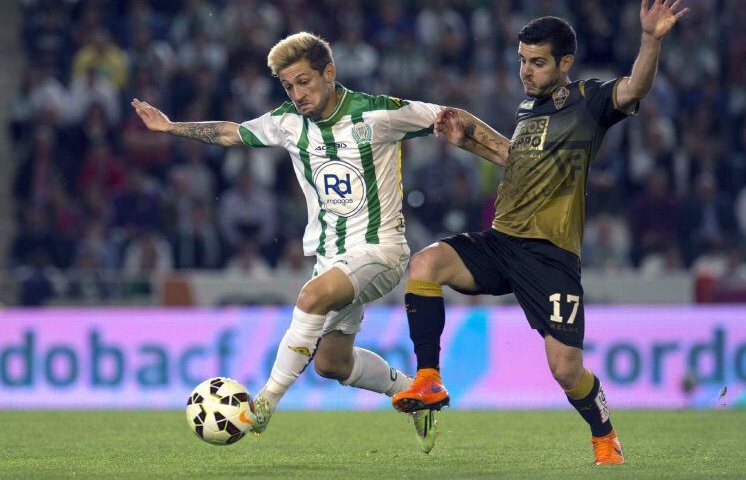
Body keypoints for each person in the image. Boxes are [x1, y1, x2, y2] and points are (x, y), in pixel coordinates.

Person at [131, 31, 507, 454]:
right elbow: (229, 133)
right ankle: (412, 395)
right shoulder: (288, 123)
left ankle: (264, 405)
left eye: (304, 82)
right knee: (332, 364)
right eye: (288, 86)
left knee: (311, 297)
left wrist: (513, 159)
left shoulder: (377, 114)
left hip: (380, 251)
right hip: (331, 259)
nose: (297, 94)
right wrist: (170, 127)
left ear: (329, 73)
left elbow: (451, 117)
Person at [391, 0, 689, 466]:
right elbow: (514, 158)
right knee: (425, 263)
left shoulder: (589, 102)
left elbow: (634, 87)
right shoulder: (527, 111)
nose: (526, 72)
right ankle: (428, 377)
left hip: (551, 256)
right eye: (522, 61)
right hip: (502, 242)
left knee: (565, 369)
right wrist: (467, 135)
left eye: (538, 63)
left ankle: (604, 434)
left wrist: (650, 39)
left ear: (564, 64)